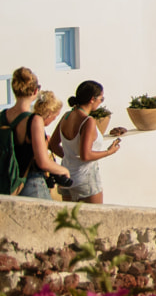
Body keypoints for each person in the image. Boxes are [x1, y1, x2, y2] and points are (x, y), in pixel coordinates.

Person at [2, 68, 71, 199]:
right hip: (31, 184)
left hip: (7, 185)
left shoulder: (2, 117)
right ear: (35, 91)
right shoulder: (34, 120)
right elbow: (43, 161)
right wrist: (63, 170)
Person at [49, 80, 120, 204]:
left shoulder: (66, 116)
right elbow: (85, 155)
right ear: (92, 99)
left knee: (70, 221)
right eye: (101, 99)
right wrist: (109, 152)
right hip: (86, 178)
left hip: (66, 177)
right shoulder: (88, 121)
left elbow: (52, 145)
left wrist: (70, 157)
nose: (101, 102)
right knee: (95, 220)